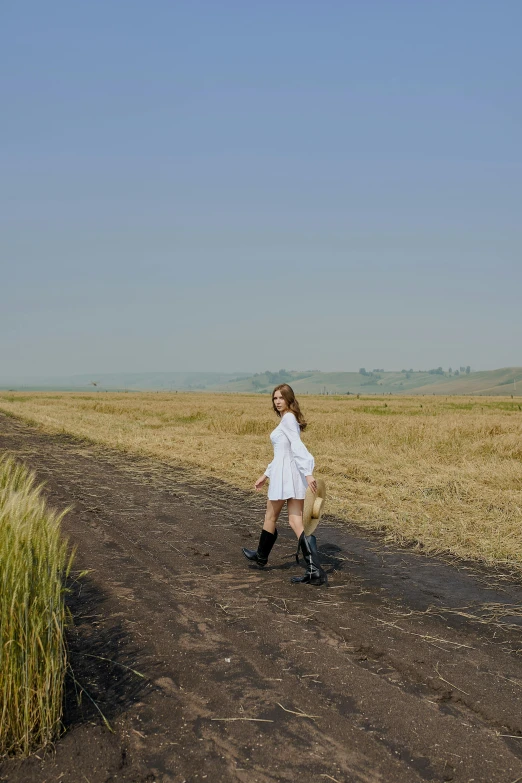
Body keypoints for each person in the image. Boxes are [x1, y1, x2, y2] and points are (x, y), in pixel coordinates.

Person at [242, 384, 327, 586]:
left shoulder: (288, 418)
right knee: (296, 522)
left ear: (289, 399)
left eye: (281, 398)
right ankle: (313, 568)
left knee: (271, 516)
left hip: (285, 477)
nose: (277, 401)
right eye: (274, 398)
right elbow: (282, 454)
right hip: (290, 475)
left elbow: (297, 447)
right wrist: (265, 474)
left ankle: (261, 556)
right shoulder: (289, 419)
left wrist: (308, 473)